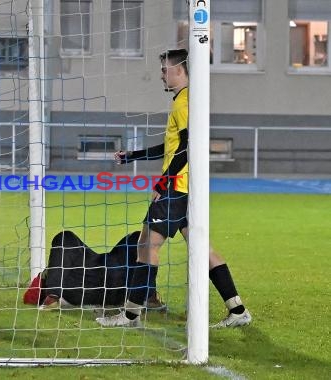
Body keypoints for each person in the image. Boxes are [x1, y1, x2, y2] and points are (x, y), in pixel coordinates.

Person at [96, 49, 252, 328]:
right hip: (188, 186)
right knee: (202, 249)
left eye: (164, 70)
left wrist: (163, 181)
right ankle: (238, 310)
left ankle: (131, 315)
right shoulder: (187, 99)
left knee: (146, 246)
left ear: (179, 70)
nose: (161, 75)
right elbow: (172, 147)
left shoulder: (184, 101)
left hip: (177, 186)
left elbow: (187, 147)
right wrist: (133, 155)